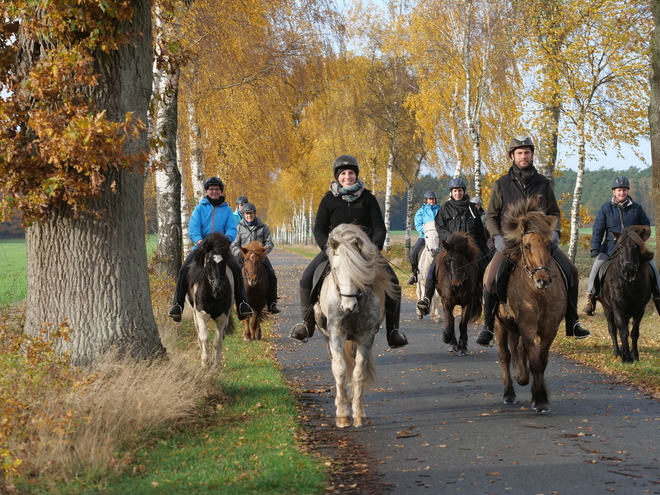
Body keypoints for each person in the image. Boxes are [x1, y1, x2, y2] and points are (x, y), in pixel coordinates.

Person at [475, 136, 590, 346]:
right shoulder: (501, 185)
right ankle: (488, 326)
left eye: (527, 152)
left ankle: (573, 321)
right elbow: (491, 216)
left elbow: (554, 212)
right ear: (512, 156)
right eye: (519, 152)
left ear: (531, 155)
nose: (523, 156)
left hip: (540, 243)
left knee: (572, 271)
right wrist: (497, 237)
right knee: (491, 279)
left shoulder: (543, 183)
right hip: (510, 243)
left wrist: (554, 232)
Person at [288, 155, 408, 349]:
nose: (347, 176)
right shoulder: (328, 200)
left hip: (364, 251)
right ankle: (307, 324)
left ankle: (393, 331)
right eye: (343, 173)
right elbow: (319, 228)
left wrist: (374, 247)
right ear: (337, 177)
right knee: (308, 277)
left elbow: (378, 225)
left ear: (356, 175)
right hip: (336, 250)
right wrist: (327, 248)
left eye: (351, 173)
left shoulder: (367, 198)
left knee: (393, 281)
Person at [168, 177, 253, 322]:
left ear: (220, 191)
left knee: (236, 269)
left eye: (217, 189)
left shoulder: (226, 210)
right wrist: (198, 239)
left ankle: (242, 304)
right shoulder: (200, 208)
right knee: (183, 270)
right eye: (211, 189)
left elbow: (232, 228)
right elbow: (193, 227)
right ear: (207, 191)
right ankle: (177, 305)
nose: (214, 191)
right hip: (202, 247)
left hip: (221, 248)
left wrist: (228, 238)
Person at [583, 176, 660, 315]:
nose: (622, 193)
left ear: (627, 191)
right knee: (596, 268)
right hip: (610, 247)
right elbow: (598, 229)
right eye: (619, 190)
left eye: (624, 190)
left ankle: (658, 296)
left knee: (653, 268)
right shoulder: (605, 208)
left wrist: (639, 241)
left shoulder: (637, 208)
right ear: (614, 191)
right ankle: (591, 299)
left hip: (633, 249)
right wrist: (595, 247)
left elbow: (646, 227)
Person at [416, 177, 490, 314]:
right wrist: (450, 239)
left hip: (469, 248)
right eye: (455, 191)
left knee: (484, 266)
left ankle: (485, 296)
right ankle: (426, 298)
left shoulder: (472, 209)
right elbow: (439, 226)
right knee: (433, 266)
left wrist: (484, 250)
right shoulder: (445, 208)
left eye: (460, 191)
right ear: (451, 192)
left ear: (464, 192)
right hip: (449, 247)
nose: (458, 193)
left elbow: (479, 231)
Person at [231, 202, 280, 314]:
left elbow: (269, 243)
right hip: (243, 256)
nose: (249, 216)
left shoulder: (263, 227)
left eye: (251, 213)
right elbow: (234, 245)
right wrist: (240, 254)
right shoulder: (238, 228)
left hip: (259, 257)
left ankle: (272, 303)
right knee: (233, 274)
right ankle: (234, 302)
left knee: (272, 274)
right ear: (243, 214)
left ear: (254, 213)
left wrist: (264, 253)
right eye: (247, 214)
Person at [407, 190, 440, 285]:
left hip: (438, 236)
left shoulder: (440, 209)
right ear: (426, 200)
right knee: (414, 251)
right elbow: (418, 225)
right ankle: (414, 274)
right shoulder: (420, 212)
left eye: (433, 199)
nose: (432, 200)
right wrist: (427, 232)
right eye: (430, 199)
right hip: (424, 236)